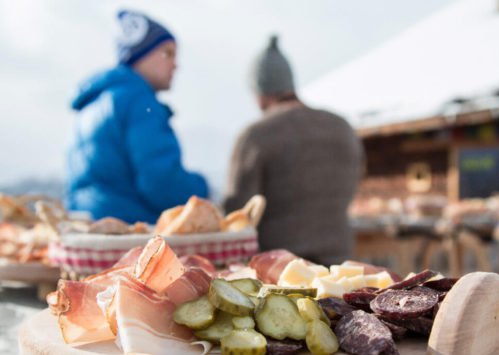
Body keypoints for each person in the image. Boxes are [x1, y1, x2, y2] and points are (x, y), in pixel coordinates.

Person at [224, 35, 363, 265]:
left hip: (281, 275)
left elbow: (237, 214)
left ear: (260, 91)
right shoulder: (342, 127)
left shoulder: (256, 136)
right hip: (341, 270)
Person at [66, 10, 209, 224]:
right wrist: (201, 190)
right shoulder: (138, 101)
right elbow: (160, 182)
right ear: (142, 55)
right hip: (131, 232)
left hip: (89, 229)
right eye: (167, 53)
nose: (175, 65)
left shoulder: (93, 103)